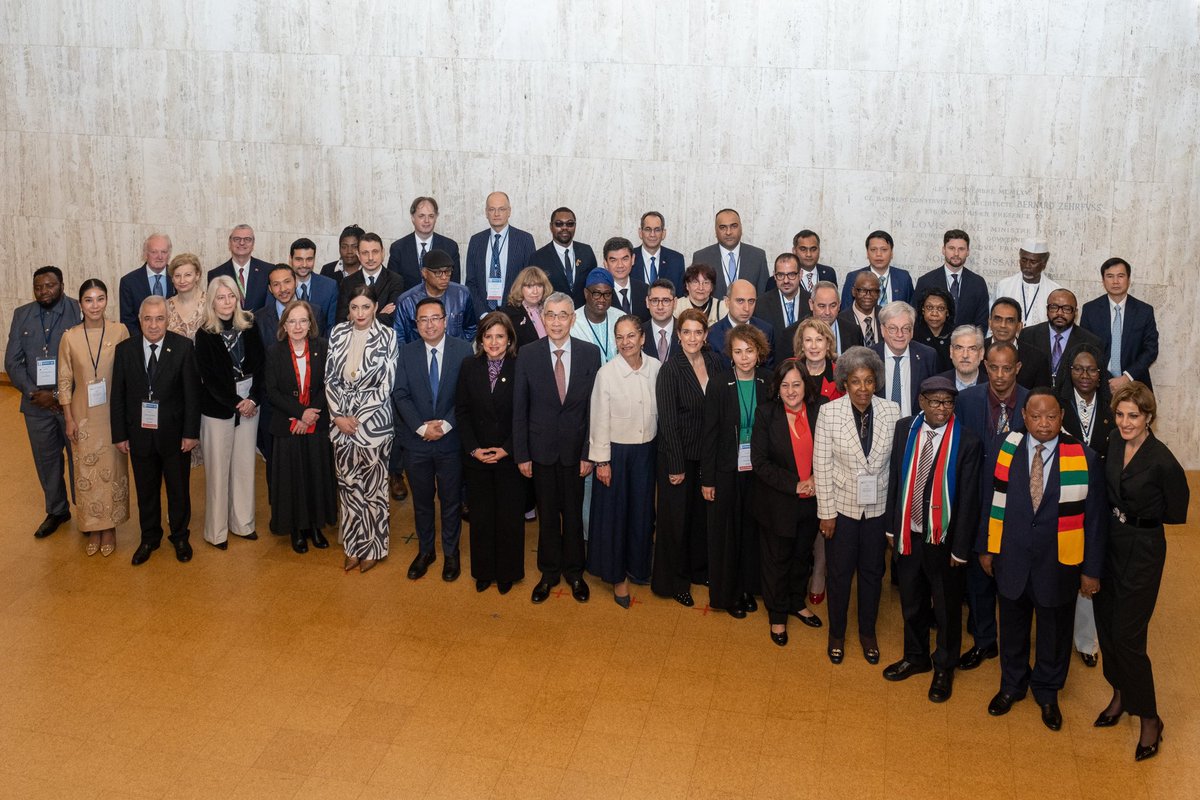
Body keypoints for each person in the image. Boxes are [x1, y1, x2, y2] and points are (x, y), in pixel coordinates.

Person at [978, 389, 1106, 732]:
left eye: (1051, 416)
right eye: (1036, 416)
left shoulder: (1084, 457)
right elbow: (989, 500)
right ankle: (1012, 685)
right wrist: (986, 548)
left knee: (1054, 631)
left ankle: (1048, 692)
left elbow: (1094, 520)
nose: (1044, 424)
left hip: (1058, 563)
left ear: (1061, 418)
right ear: (1024, 416)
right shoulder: (1005, 448)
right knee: (1013, 626)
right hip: (1012, 557)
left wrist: (1091, 570)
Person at [1093, 382, 1189, 761]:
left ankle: (1150, 717)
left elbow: (1176, 510)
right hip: (1111, 542)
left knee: (1128, 636)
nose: (1125, 422)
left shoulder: (1163, 460)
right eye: (1120, 414)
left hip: (1144, 549)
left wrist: (1138, 521)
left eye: (1133, 415)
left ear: (1149, 417)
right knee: (1106, 626)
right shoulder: (1114, 442)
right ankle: (1119, 694)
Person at [882, 377, 983, 702]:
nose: (942, 408)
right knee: (911, 601)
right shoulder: (904, 429)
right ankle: (916, 656)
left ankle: (944, 666)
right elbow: (896, 479)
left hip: (944, 542)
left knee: (946, 609)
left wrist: (961, 548)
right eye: (936, 402)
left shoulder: (966, 442)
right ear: (922, 401)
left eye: (948, 403)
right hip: (908, 535)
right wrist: (891, 526)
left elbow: (969, 500)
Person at [513, 292, 602, 605]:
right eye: (550, 315)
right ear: (543, 318)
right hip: (541, 452)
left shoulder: (590, 354)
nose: (556, 321)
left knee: (575, 514)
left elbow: (596, 408)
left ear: (572, 319)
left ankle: (575, 572)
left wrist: (589, 453)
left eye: (563, 315)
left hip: (577, 452)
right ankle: (548, 572)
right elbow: (519, 409)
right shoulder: (527, 354)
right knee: (548, 514)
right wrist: (522, 454)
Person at [813, 346, 900, 665]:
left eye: (868, 381)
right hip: (842, 512)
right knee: (838, 574)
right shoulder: (829, 412)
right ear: (844, 383)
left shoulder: (892, 411)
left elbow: (895, 468)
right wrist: (827, 513)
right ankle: (836, 633)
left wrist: (892, 519)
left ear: (876, 382)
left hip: (877, 513)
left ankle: (867, 633)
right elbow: (821, 465)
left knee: (873, 573)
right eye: (855, 382)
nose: (862, 388)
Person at [110, 296, 201, 565]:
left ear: (168, 319)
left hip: (175, 436)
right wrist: (120, 435)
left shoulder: (183, 347)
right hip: (139, 435)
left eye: (159, 318)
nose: (153, 325)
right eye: (147, 318)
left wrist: (190, 433)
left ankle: (180, 536)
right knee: (146, 490)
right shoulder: (125, 350)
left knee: (178, 489)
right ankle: (149, 537)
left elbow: (192, 395)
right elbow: (118, 396)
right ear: (139, 320)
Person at [955, 342, 1029, 670]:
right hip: (975, 504)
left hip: (1015, 511)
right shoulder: (968, 400)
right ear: (985, 366)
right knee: (978, 581)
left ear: (1018, 368)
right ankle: (985, 643)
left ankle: (1017, 654)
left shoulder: (1033, 403)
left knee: (1011, 586)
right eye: (994, 368)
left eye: (1006, 368)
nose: (1000, 375)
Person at [393, 297, 473, 582]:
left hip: (451, 442)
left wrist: (447, 424)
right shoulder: (406, 352)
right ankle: (426, 551)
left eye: (435, 318)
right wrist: (420, 428)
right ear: (416, 324)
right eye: (423, 320)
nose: (429, 324)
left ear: (445, 320)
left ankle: (451, 553)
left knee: (451, 501)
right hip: (417, 443)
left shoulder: (463, 350)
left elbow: (467, 395)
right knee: (423, 501)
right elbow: (399, 394)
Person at [752, 358, 826, 646]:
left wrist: (816, 481)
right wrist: (795, 484)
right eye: (785, 385)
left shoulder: (820, 410)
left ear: (805, 385)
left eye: (797, 384)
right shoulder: (766, 414)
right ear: (777, 388)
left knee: (801, 556)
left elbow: (832, 450)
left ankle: (797, 602)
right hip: (778, 501)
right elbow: (760, 462)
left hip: (812, 500)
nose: (791, 391)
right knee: (777, 560)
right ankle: (778, 614)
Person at [587, 316, 660, 607]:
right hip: (616, 454)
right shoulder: (606, 373)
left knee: (642, 514)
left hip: (647, 451)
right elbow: (598, 419)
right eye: (620, 337)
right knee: (615, 517)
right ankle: (618, 577)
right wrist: (602, 461)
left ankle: (639, 567)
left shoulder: (656, 367)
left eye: (631, 336)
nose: (626, 342)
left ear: (642, 338)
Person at [700, 324, 772, 617]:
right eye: (738, 351)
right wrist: (708, 479)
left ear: (759, 353)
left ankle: (746, 588)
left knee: (751, 533)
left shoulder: (768, 382)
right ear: (730, 354)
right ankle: (726, 595)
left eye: (750, 351)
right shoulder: (718, 384)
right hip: (726, 471)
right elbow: (710, 435)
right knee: (726, 535)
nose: (744, 358)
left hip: (758, 471)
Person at [326, 285, 398, 573]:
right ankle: (353, 546)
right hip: (341, 425)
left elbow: (386, 384)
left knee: (375, 489)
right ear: (349, 309)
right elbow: (330, 378)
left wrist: (358, 417)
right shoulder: (337, 333)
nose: (360, 313)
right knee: (348, 487)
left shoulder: (389, 336)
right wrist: (339, 417)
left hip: (374, 425)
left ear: (375, 307)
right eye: (355, 307)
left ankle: (375, 547)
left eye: (365, 307)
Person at [7, 266, 83, 539]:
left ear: (61, 284)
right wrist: (32, 393)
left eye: (49, 286)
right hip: (35, 404)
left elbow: (87, 359)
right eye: (38, 287)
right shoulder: (22, 315)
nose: (43, 292)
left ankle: (85, 510)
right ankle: (57, 510)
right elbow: (12, 361)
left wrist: (60, 396)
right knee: (46, 459)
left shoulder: (78, 310)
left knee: (79, 458)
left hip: (72, 403)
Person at [57, 279, 130, 557]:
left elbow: (128, 373)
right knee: (86, 472)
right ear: (81, 304)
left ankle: (110, 527)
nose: (95, 305)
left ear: (107, 301)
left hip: (113, 414)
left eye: (100, 299)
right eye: (89, 300)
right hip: (82, 415)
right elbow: (64, 379)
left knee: (113, 471)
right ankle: (92, 525)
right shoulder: (70, 336)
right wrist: (68, 418)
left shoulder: (119, 331)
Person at [652, 308, 718, 607]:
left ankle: (697, 570)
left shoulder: (715, 362)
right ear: (678, 336)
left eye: (698, 332)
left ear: (706, 335)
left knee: (699, 519)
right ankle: (674, 581)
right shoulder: (670, 369)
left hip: (706, 455)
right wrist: (676, 466)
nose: (692, 338)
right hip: (677, 459)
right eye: (686, 332)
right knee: (675, 522)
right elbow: (667, 422)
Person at [194, 276, 265, 549]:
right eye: (221, 297)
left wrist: (254, 398)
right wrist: (237, 401)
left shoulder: (249, 324)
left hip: (250, 404)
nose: (226, 302)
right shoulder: (204, 333)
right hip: (218, 408)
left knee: (245, 465)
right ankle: (217, 531)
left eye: (231, 296)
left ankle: (243, 524)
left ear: (238, 298)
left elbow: (261, 364)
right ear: (212, 301)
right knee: (218, 470)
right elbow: (209, 378)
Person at [456, 312, 525, 594]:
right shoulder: (468, 366)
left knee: (509, 517)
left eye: (499, 336)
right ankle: (483, 571)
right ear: (480, 340)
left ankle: (507, 572)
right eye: (488, 336)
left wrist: (507, 449)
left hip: (509, 456)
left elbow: (524, 413)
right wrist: (474, 449)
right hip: (478, 457)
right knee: (482, 517)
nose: (494, 342)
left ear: (509, 339)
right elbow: (461, 411)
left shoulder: (521, 366)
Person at [263, 300, 337, 554]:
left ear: (310, 324)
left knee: (316, 475)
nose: (297, 326)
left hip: (316, 423)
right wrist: (299, 414)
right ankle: (297, 529)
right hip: (288, 425)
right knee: (293, 479)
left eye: (303, 321)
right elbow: (271, 391)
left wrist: (310, 415)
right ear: (284, 324)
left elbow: (329, 384)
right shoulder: (274, 351)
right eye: (292, 321)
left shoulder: (323, 347)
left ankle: (315, 526)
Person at [1058, 344, 1114, 669]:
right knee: (1065, 568)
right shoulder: (1059, 405)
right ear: (1070, 371)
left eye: (1091, 370)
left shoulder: (1111, 407)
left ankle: (1086, 641)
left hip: (1100, 500)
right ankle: (1059, 636)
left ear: (1100, 374)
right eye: (1078, 368)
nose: (1084, 375)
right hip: (1067, 497)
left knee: (1092, 567)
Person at [1080, 257, 1159, 392]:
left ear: (1128, 279)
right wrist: (1105, 380)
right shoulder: (1090, 310)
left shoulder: (1144, 311)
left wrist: (1127, 377)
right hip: (1099, 384)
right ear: (1103, 281)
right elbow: (1085, 349)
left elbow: (1150, 350)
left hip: (1135, 382)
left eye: (1120, 276)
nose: (1115, 281)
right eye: (1110, 276)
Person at [465, 191, 537, 312]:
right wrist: (482, 314)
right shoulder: (476, 241)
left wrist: (513, 313)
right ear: (486, 213)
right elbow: (471, 283)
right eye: (492, 209)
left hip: (515, 313)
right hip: (483, 315)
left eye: (502, 209)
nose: (496, 214)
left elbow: (529, 280)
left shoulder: (525, 240)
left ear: (509, 211)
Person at [1018, 288, 1100, 388]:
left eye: (1066, 308)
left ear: (1075, 312)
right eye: (1054, 307)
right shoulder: (1028, 335)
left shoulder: (1090, 342)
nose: (1059, 313)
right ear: (1047, 310)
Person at [870, 301, 940, 418]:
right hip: (879, 428)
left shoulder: (928, 356)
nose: (900, 334)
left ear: (912, 331)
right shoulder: (870, 357)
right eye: (893, 328)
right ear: (882, 329)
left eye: (905, 328)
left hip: (915, 428)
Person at [394, 248, 477, 345]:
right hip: (420, 356)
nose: (444, 277)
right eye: (438, 272)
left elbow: (471, 328)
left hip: (453, 356)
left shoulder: (462, 294)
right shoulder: (407, 301)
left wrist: (459, 350)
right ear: (424, 273)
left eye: (448, 271)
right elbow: (399, 337)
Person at [913, 229, 989, 330]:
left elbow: (982, 323)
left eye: (961, 249)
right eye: (951, 248)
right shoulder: (925, 281)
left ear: (968, 252)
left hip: (966, 344)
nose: (956, 253)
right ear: (943, 250)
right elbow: (917, 319)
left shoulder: (978, 283)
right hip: (932, 344)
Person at [692, 208, 769, 298]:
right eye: (723, 227)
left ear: (741, 228)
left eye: (733, 226)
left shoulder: (758, 257)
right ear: (715, 231)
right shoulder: (701, 257)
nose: (728, 232)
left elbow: (764, 296)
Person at [387, 196, 462, 288]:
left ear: (436, 218)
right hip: (409, 301)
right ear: (413, 218)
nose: (427, 221)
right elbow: (393, 285)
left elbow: (454, 286)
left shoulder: (450, 247)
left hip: (441, 301)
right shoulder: (398, 248)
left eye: (431, 216)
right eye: (421, 216)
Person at [529, 206, 598, 305]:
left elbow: (593, 285)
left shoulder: (586, 251)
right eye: (559, 224)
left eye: (570, 224)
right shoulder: (538, 258)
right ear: (551, 226)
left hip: (583, 315)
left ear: (575, 226)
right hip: (554, 316)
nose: (564, 228)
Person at [337, 232, 404, 328]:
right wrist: (379, 314)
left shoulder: (395, 280)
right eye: (365, 253)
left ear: (383, 253)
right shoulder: (348, 282)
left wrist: (356, 318)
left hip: (384, 339)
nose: (370, 258)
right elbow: (342, 321)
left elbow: (391, 319)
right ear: (358, 255)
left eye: (375, 252)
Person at [707, 279, 776, 369]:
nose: (746, 308)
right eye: (740, 301)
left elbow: (769, 371)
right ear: (727, 302)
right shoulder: (713, 334)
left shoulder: (766, 330)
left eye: (751, 301)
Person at [993, 238, 1063, 325]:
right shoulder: (1004, 286)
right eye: (1024, 260)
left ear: (1044, 264)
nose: (1027, 266)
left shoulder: (1055, 291)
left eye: (1033, 262)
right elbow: (993, 319)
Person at [987, 297, 1052, 390]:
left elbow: (1041, 398)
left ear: (1019, 326)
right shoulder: (977, 351)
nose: (1003, 325)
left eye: (1010, 320)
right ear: (990, 323)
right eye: (998, 319)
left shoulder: (1038, 359)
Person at [118, 234, 175, 335]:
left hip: (174, 343)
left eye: (164, 252)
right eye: (154, 252)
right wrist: (146, 342)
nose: (160, 256)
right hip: (142, 344)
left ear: (169, 254)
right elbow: (127, 321)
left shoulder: (178, 278)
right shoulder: (129, 282)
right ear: (145, 254)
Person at [841, 230, 914, 309]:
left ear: (892, 253)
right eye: (873, 250)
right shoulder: (854, 277)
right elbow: (845, 311)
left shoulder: (903, 277)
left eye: (884, 250)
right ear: (867, 253)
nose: (878, 254)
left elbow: (911, 310)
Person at [209, 224, 272, 310]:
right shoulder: (215, 274)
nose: (242, 243)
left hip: (260, 323)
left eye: (247, 239)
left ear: (253, 243)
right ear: (230, 243)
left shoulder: (268, 270)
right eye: (237, 239)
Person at [571, 267, 622, 364]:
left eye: (607, 294)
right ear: (586, 293)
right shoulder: (573, 323)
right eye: (596, 294)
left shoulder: (620, 318)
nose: (602, 300)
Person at [289, 237, 339, 335]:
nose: (304, 264)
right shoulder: (282, 286)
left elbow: (332, 326)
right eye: (299, 259)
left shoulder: (330, 286)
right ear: (290, 259)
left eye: (309, 259)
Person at [501, 266, 554, 349]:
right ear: (520, 288)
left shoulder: (551, 309)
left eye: (539, 286)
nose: (535, 291)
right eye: (529, 286)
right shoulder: (509, 314)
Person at [756, 253, 808, 336]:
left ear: (800, 274)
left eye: (791, 275)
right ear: (774, 276)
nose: (786, 281)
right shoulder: (760, 304)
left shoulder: (812, 302)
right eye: (780, 275)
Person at [634, 211, 686, 292]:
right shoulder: (629, 258)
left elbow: (680, 295)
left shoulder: (676, 260)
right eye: (648, 229)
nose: (652, 234)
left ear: (663, 233)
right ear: (640, 233)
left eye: (657, 230)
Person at [793, 318, 841, 402]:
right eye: (808, 340)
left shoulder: (839, 375)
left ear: (828, 345)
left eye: (819, 340)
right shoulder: (790, 369)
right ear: (802, 345)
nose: (814, 346)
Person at [605, 236, 649, 320]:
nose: (620, 265)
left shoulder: (645, 290)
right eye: (613, 260)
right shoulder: (601, 294)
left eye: (625, 259)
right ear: (605, 263)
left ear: (632, 259)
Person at [165, 253, 206, 340]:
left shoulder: (211, 302)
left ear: (197, 275)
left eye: (188, 275)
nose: (182, 280)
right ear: (172, 278)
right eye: (177, 276)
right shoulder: (165, 306)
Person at [913, 286, 954, 372]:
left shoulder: (956, 335)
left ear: (947, 312)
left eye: (940, 308)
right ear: (923, 310)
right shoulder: (913, 335)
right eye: (929, 307)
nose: (934, 313)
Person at [840, 270, 882, 348]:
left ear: (878, 294)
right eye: (862, 290)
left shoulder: (885, 317)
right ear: (853, 292)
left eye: (873, 291)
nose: (868, 295)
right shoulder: (841, 319)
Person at [791, 230, 839, 297]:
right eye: (803, 249)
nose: (809, 254)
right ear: (794, 251)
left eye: (813, 249)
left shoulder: (829, 273)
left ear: (819, 250)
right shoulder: (786, 276)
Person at [940, 324, 988, 390]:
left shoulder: (992, 386)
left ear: (981, 353)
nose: (965, 355)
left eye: (972, 349)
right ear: (951, 351)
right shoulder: (937, 384)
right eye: (959, 348)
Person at [642, 279, 679, 361]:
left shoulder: (686, 331)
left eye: (666, 301)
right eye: (654, 301)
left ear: (675, 303)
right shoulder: (639, 333)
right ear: (647, 302)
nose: (660, 307)